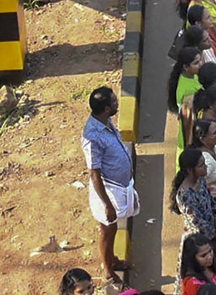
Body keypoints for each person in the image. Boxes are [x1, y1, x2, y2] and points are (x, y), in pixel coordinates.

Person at [82, 85, 138, 287]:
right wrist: (107, 204)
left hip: (118, 187)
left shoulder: (105, 122)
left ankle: (113, 259)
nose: (117, 105)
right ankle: (108, 269)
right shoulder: (92, 137)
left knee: (113, 229)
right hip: (108, 190)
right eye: (114, 103)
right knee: (107, 230)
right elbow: (94, 173)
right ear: (106, 108)